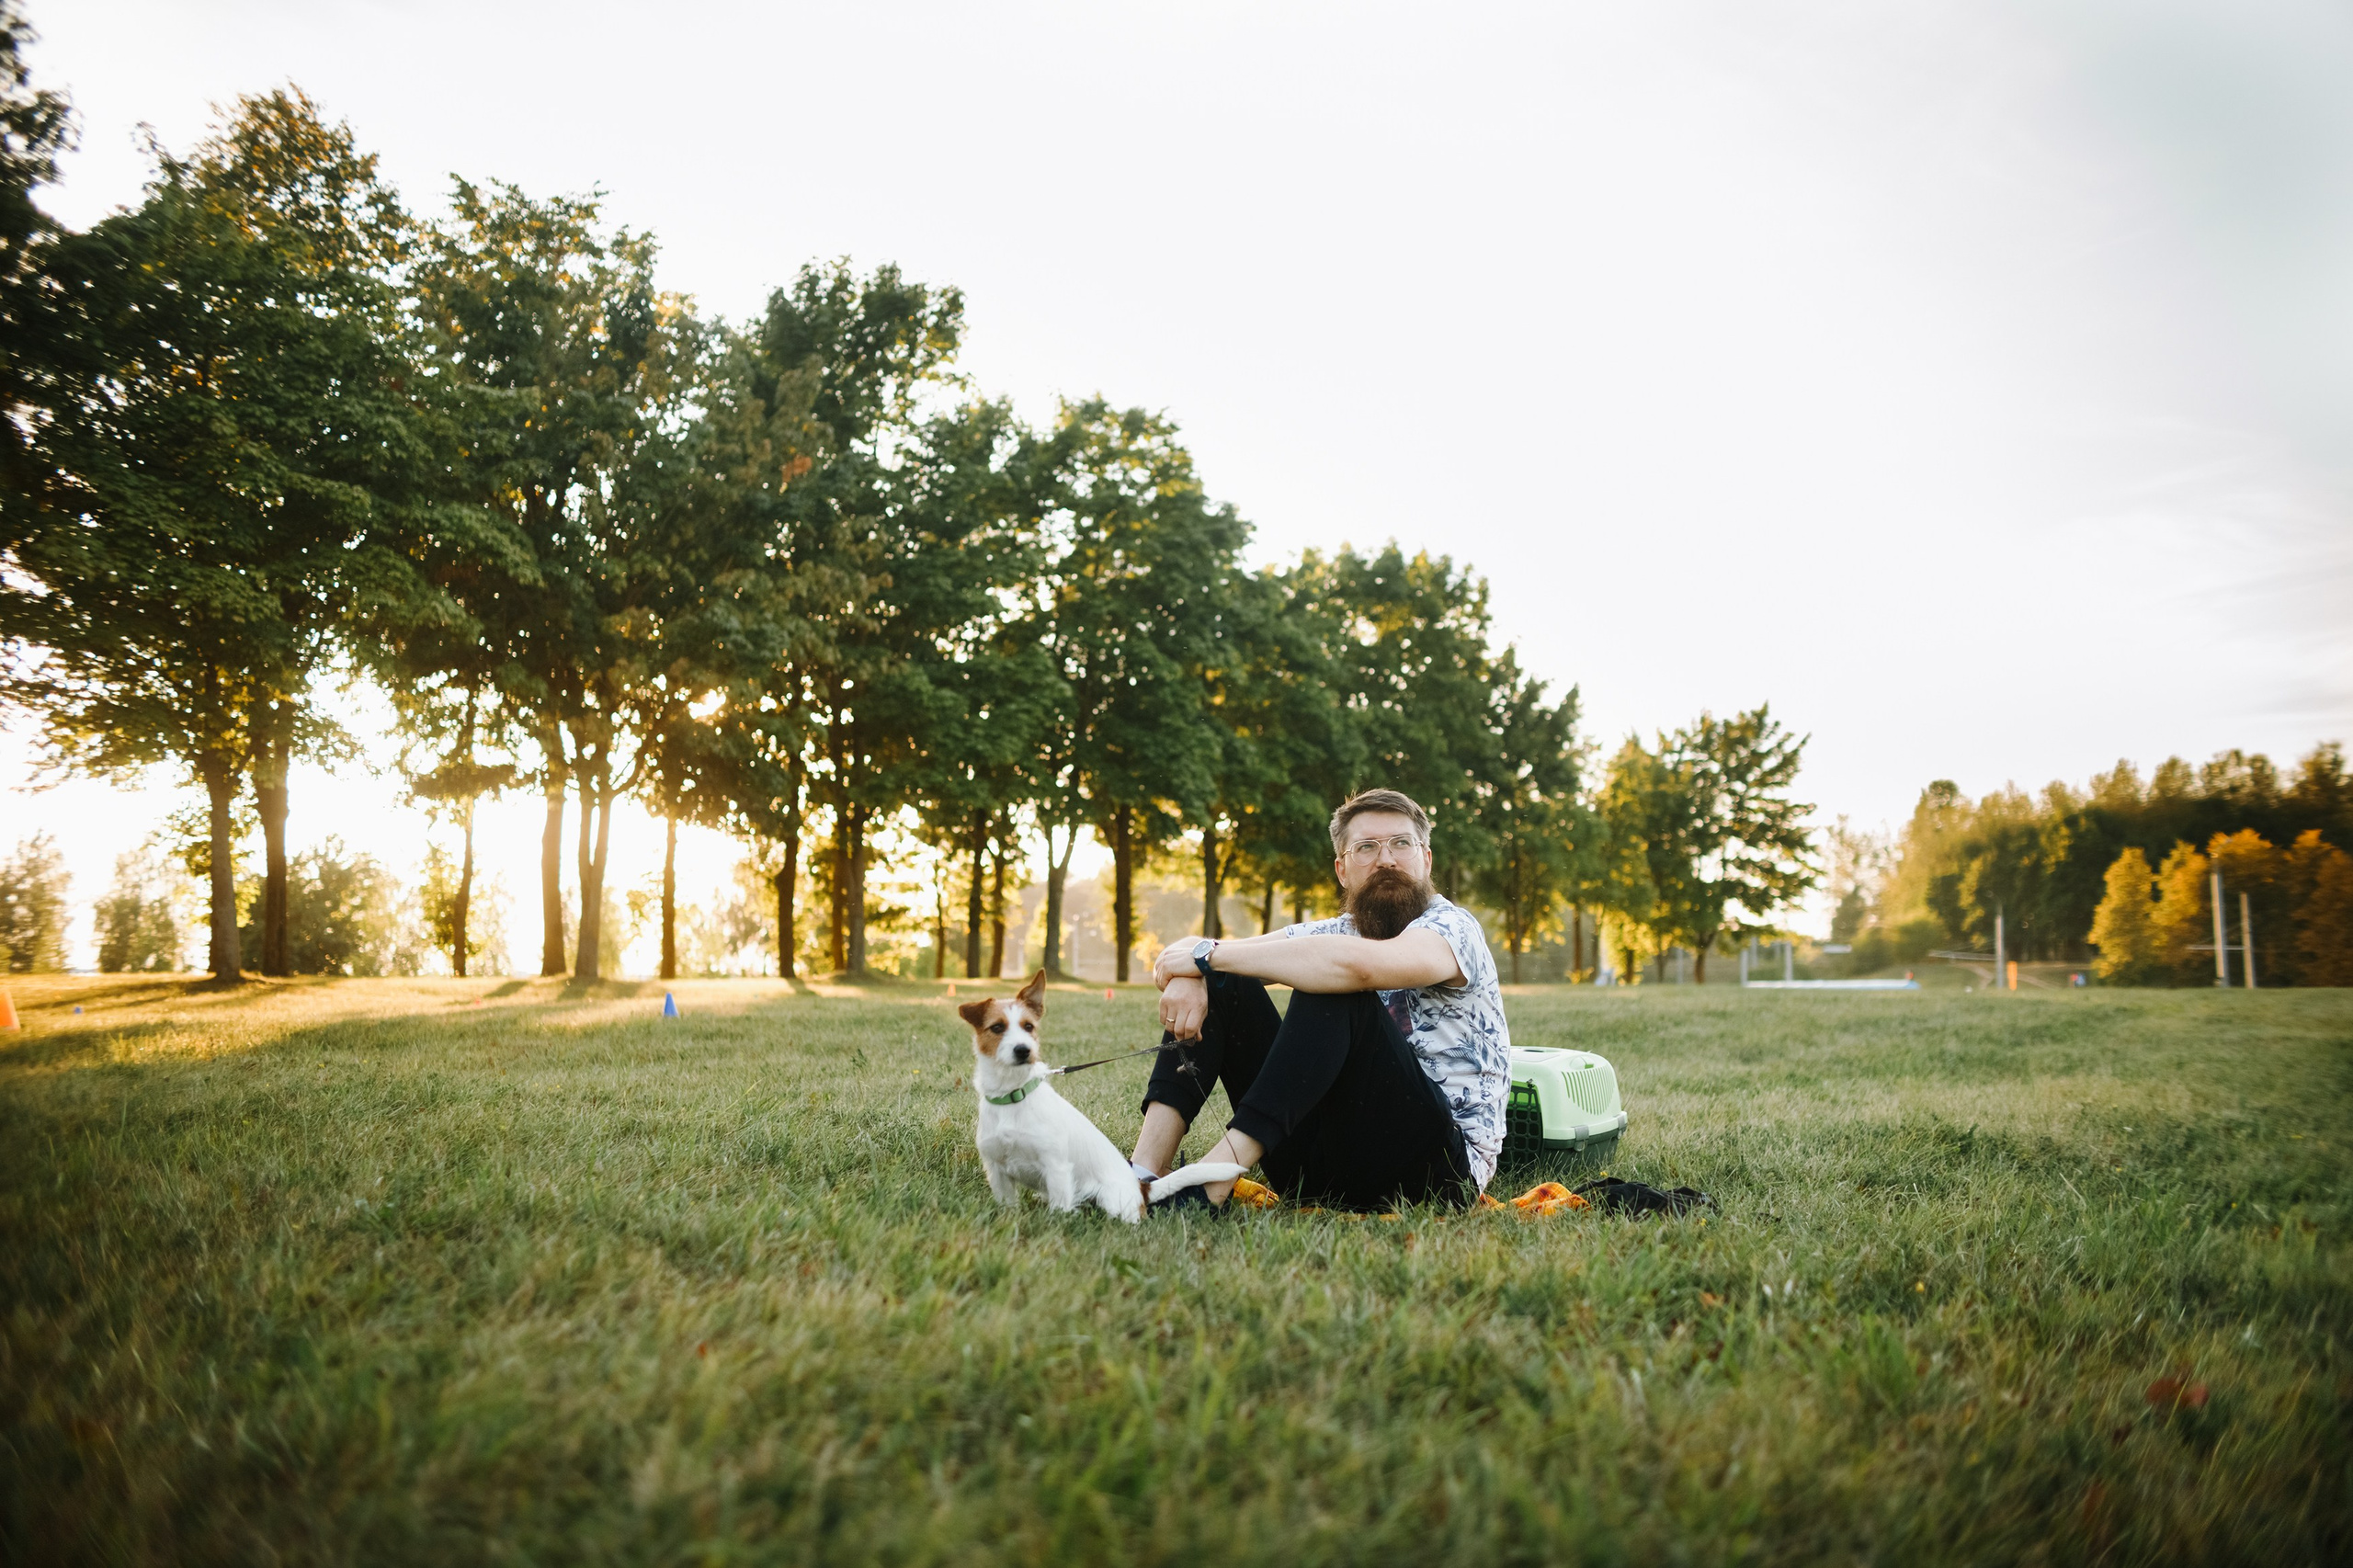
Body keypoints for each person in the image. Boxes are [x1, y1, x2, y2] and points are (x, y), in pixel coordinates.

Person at [1129, 788, 1510, 1211]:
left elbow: (1355, 968)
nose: (1386, 859)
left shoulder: (1453, 927)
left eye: (1402, 843)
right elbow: (1207, 948)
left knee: (1334, 984)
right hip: (1320, 1167)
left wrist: (1205, 959)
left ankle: (1208, 1186)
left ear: (1426, 859)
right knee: (1229, 983)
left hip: (1436, 1173)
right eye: (1366, 847)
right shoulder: (1338, 933)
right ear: (1342, 870)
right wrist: (1197, 971)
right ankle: (1140, 1176)